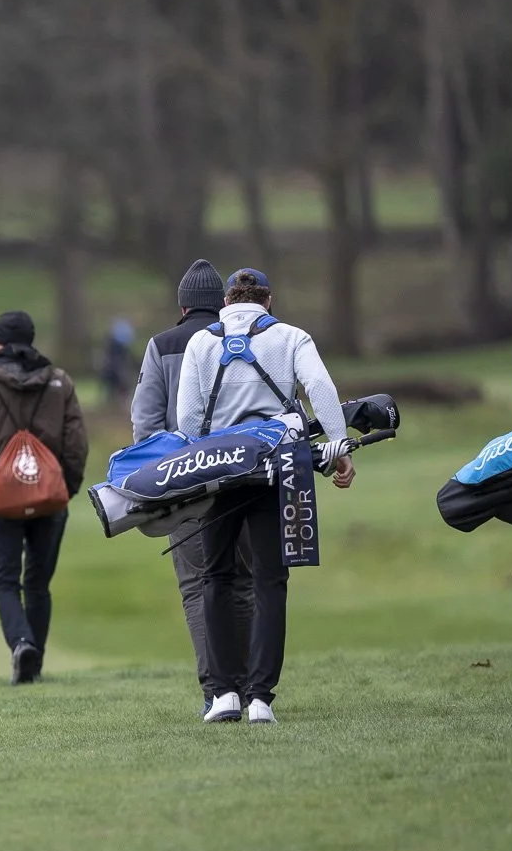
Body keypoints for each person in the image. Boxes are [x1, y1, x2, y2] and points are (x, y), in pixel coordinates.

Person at [173, 268, 354, 724]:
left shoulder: (201, 342)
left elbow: (188, 419)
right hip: (278, 470)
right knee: (269, 581)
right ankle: (260, 699)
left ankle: (223, 694)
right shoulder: (291, 337)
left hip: (217, 474)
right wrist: (338, 446)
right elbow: (321, 390)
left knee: (215, 577)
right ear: (268, 301)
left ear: (227, 303)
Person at [131, 259, 255, 716]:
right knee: (243, 583)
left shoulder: (161, 345)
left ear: (182, 305)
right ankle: (248, 687)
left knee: (199, 587)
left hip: (184, 488)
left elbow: (145, 424)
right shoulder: (247, 339)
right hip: (244, 478)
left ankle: (215, 691)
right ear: (221, 302)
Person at [0, 311, 89, 685]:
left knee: (5, 581)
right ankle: (35, 660)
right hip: (51, 497)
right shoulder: (60, 381)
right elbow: (76, 442)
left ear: (0, 343)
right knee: (38, 583)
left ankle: (21, 645)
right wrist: (68, 487)